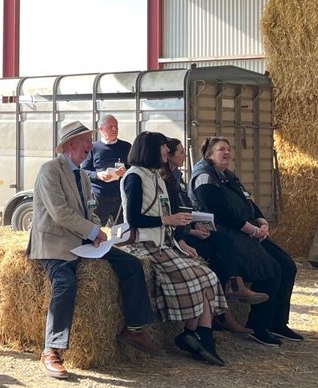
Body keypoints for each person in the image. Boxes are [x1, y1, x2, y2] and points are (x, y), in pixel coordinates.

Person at [29, 120, 158, 380]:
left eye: (90, 141)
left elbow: (91, 211)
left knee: (132, 265)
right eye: (86, 141)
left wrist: (98, 231)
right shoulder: (50, 170)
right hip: (56, 244)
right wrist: (91, 231)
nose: (90, 145)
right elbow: (60, 213)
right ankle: (51, 350)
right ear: (70, 144)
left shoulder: (81, 176)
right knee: (65, 283)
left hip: (83, 241)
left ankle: (133, 328)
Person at [121, 131, 227, 366]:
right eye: (162, 146)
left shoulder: (155, 176)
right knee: (195, 279)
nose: (166, 151)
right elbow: (133, 219)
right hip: (145, 245)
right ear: (150, 149)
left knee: (207, 276)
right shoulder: (134, 177)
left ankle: (198, 335)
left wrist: (178, 236)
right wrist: (167, 220)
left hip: (163, 244)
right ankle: (197, 338)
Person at [190, 137, 301, 346]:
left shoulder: (228, 176)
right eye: (221, 149)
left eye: (229, 149)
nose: (227, 153)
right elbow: (220, 212)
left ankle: (278, 323)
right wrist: (252, 230)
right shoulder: (204, 177)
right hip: (229, 233)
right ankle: (259, 326)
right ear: (209, 154)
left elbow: (248, 201)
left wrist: (262, 222)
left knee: (288, 265)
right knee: (271, 269)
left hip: (248, 230)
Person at [163, 137, 258, 333]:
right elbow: (167, 215)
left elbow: (184, 209)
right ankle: (222, 311)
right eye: (181, 152)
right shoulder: (165, 180)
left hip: (185, 228)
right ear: (169, 156)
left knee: (221, 243)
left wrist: (194, 223)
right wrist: (190, 231)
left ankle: (229, 299)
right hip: (174, 236)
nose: (184, 156)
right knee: (216, 254)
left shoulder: (177, 177)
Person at [81, 114, 131, 225]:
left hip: (120, 195)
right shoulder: (93, 148)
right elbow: (83, 172)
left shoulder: (126, 147)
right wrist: (98, 175)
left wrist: (126, 171)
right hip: (99, 195)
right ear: (101, 129)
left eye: (116, 126)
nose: (114, 129)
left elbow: (133, 168)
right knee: (96, 228)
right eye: (110, 127)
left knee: (122, 230)